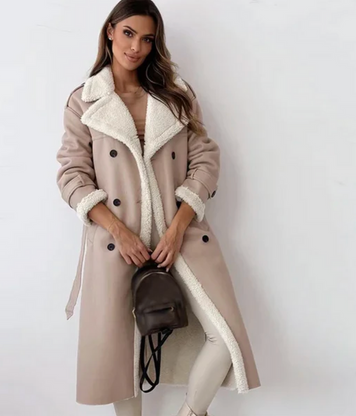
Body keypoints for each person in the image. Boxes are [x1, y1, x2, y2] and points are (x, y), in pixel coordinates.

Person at [55, 1, 261, 415]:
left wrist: (178, 226)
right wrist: (118, 231)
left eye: (147, 39)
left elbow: (205, 161)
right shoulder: (85, 100)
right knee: (120, 357)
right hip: (116, 243)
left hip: (179, 236)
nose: (136, 47)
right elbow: (72, 175)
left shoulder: (176, 96)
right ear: (110, 31)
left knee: (226, 338)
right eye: (128, 34)